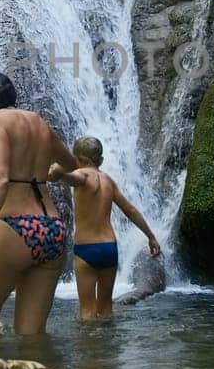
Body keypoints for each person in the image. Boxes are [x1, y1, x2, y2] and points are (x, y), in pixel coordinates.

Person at [0, 72, 79, 338]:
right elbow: (71, 164)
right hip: (53, 230)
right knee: (31, 334)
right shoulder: (39, 123)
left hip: (16, 227)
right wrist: (51, 172)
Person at [48, 137, 160, 321]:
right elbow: (130, 210)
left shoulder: (81, 175)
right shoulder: (109, 181)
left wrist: (60, 172)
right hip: (109, 248)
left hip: (86, 249)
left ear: (77, 158)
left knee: (87, 313)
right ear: (99, 159)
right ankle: (108, 348)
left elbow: (72, 178)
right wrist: (151, 236)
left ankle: (91, 348)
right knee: (106, 310)